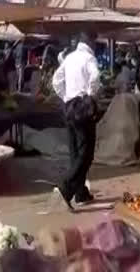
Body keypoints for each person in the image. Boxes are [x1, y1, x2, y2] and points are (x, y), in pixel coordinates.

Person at [52, 31, 101, 208]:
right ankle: (66, 187)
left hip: (69, 106)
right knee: (86, 153)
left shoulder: (70, 57)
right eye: (94, 41)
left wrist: (66, 97)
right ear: (88, 40)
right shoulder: (89, 58)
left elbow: (56, 81)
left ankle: (80, 193)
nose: (95, 45)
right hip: (82, 107)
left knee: (75, 152)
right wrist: (89, 95)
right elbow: (95, 77)